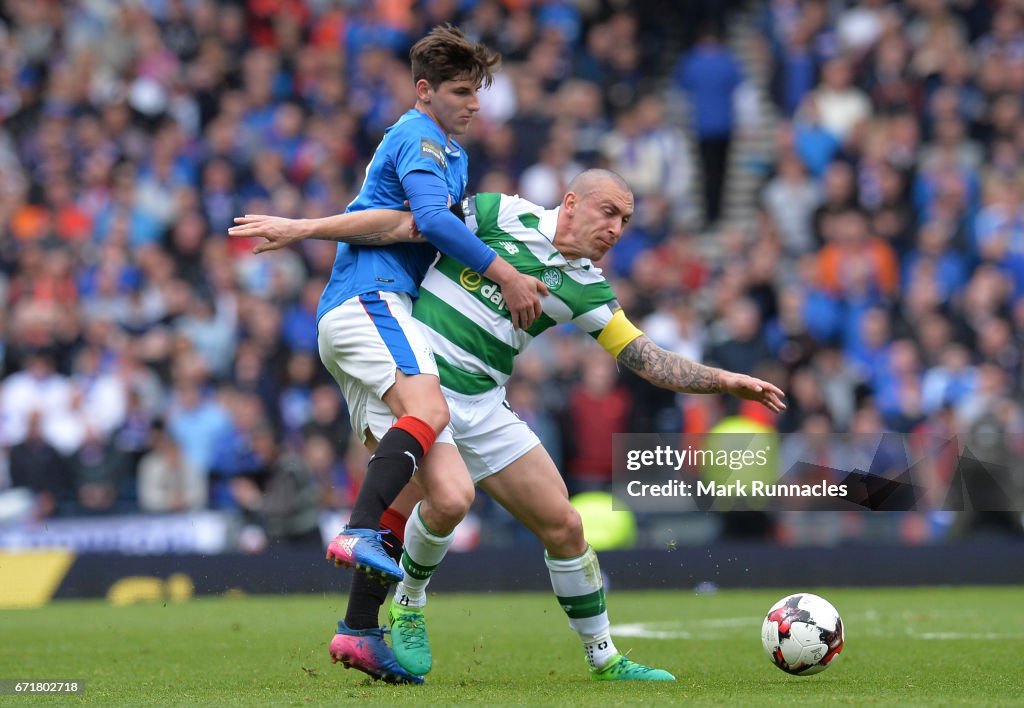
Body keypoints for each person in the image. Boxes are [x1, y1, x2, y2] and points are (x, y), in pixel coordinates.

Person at [233, 169, 786, 684]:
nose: (616, 229)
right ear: (570, 202)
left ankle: (604, 658)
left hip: (484, 405)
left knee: (566, 526)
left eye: (626, 221)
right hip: (418, 386)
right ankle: (409, 604)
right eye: (609, 212)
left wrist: (724, 380)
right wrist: (308, 230)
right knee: (442, 502)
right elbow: (411, 224)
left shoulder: (588, 288)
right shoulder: (498, 214)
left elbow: (646, 359)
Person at [231, 25, 547, 584]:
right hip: (371, 300)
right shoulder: (422, 139)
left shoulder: (448, 152)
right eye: (460, 92)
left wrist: (310, 227)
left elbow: (403, 223)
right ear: (424, 90)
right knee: (431, 412)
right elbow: (427, 220)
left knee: (445, 493)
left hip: (368, 310)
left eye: (477, 92)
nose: (474, 104)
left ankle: (359, 631)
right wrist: (507, 275)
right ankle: (357, 528)